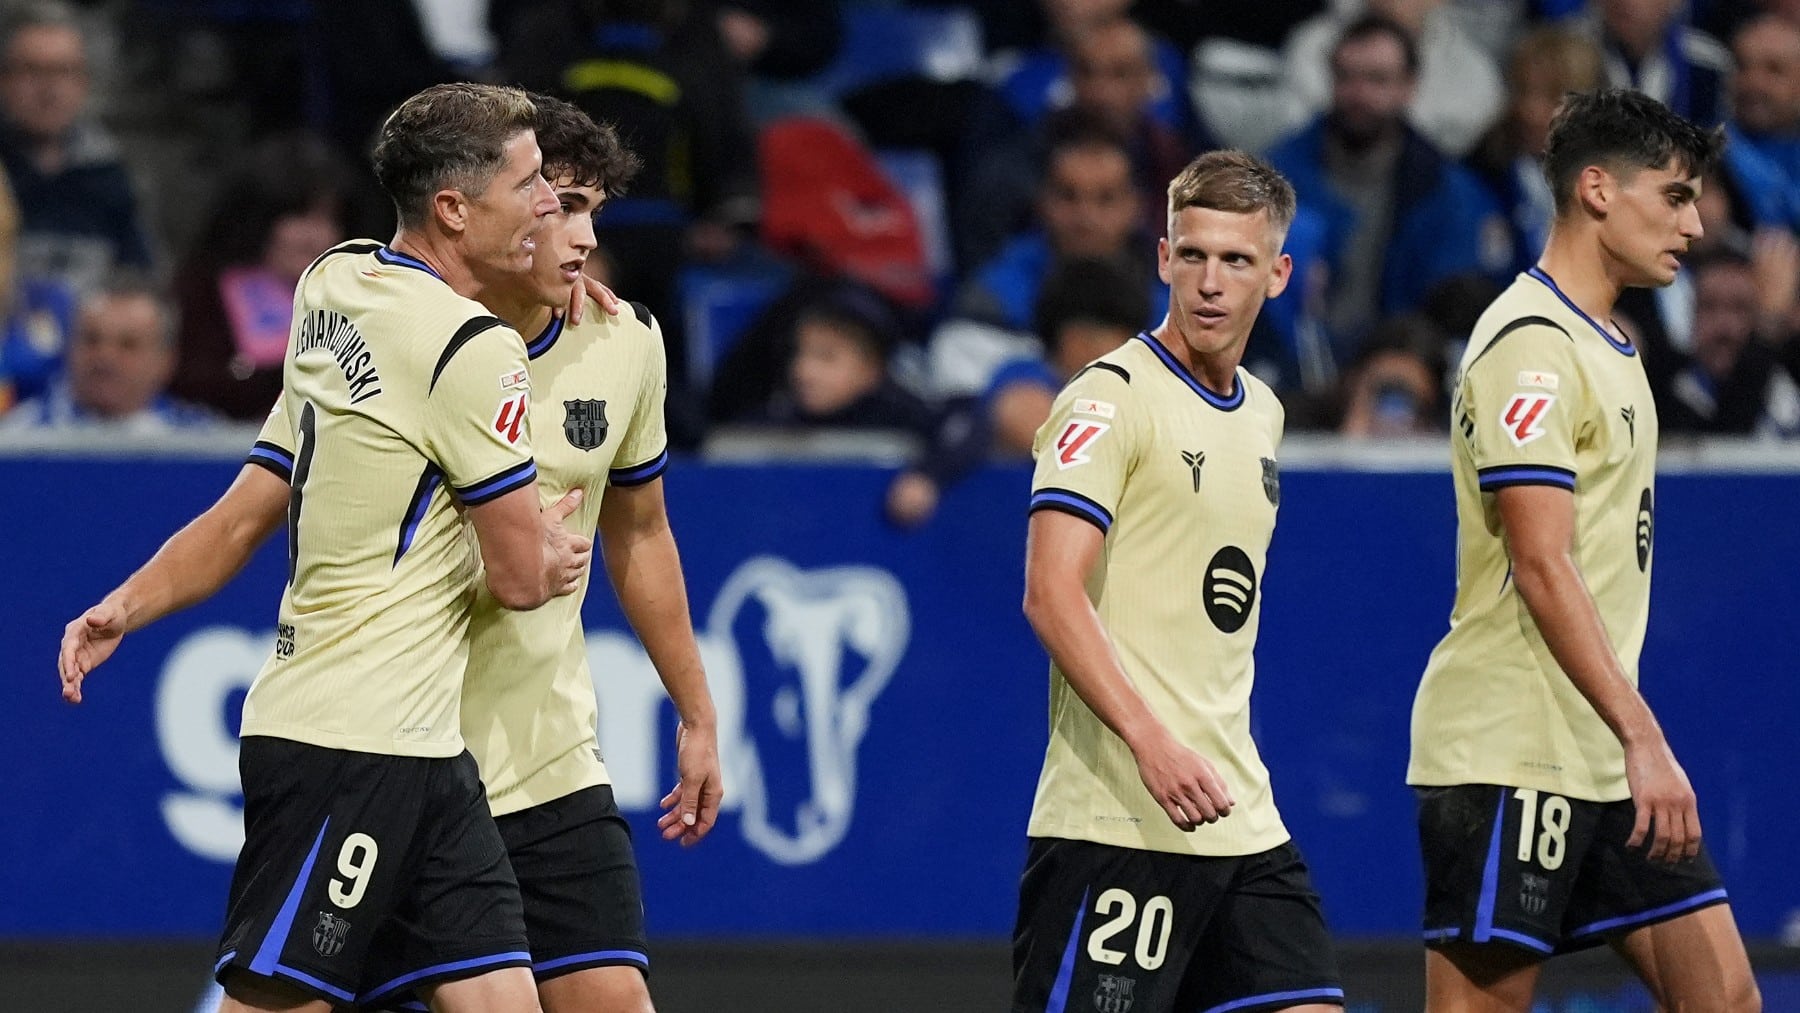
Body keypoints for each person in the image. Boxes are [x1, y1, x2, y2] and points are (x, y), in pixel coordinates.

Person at [59, 94, 718, 1013]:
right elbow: (517, 574)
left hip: (481, 756)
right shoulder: (456, 344)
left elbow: (640, 531)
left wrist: (695, 708)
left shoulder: (343, 287)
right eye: (546, 195)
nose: (565, 226)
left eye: (579, 205)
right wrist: (550, 552)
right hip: (361, 735)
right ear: (459, 206)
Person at [1408, 88, 1760, 1011]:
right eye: (1675, 196)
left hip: (1599, 749)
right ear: (1598, 190)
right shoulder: (1530, 346)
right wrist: (1647, 735)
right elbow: (1541, 562)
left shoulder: (1612, 339)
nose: (1694, 222)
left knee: (1725, 999)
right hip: (1511, 748)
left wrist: (1627, 739)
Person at [1012, 150, 1342, 1013]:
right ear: (1163, 258)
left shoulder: (1264, 412)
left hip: (1238, 814)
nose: (1209, 281)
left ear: (1277, 275)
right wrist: (1152, 743)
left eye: (1235, 261)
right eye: (1191, 255)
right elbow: (1051, 591)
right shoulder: (1109, 398)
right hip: (1118, 819)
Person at [0, 275, 216, 433]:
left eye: (128, 345)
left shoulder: (208, 446)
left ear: (166, 361)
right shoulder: (17, 440)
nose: (105, 357)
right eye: (91, 340)